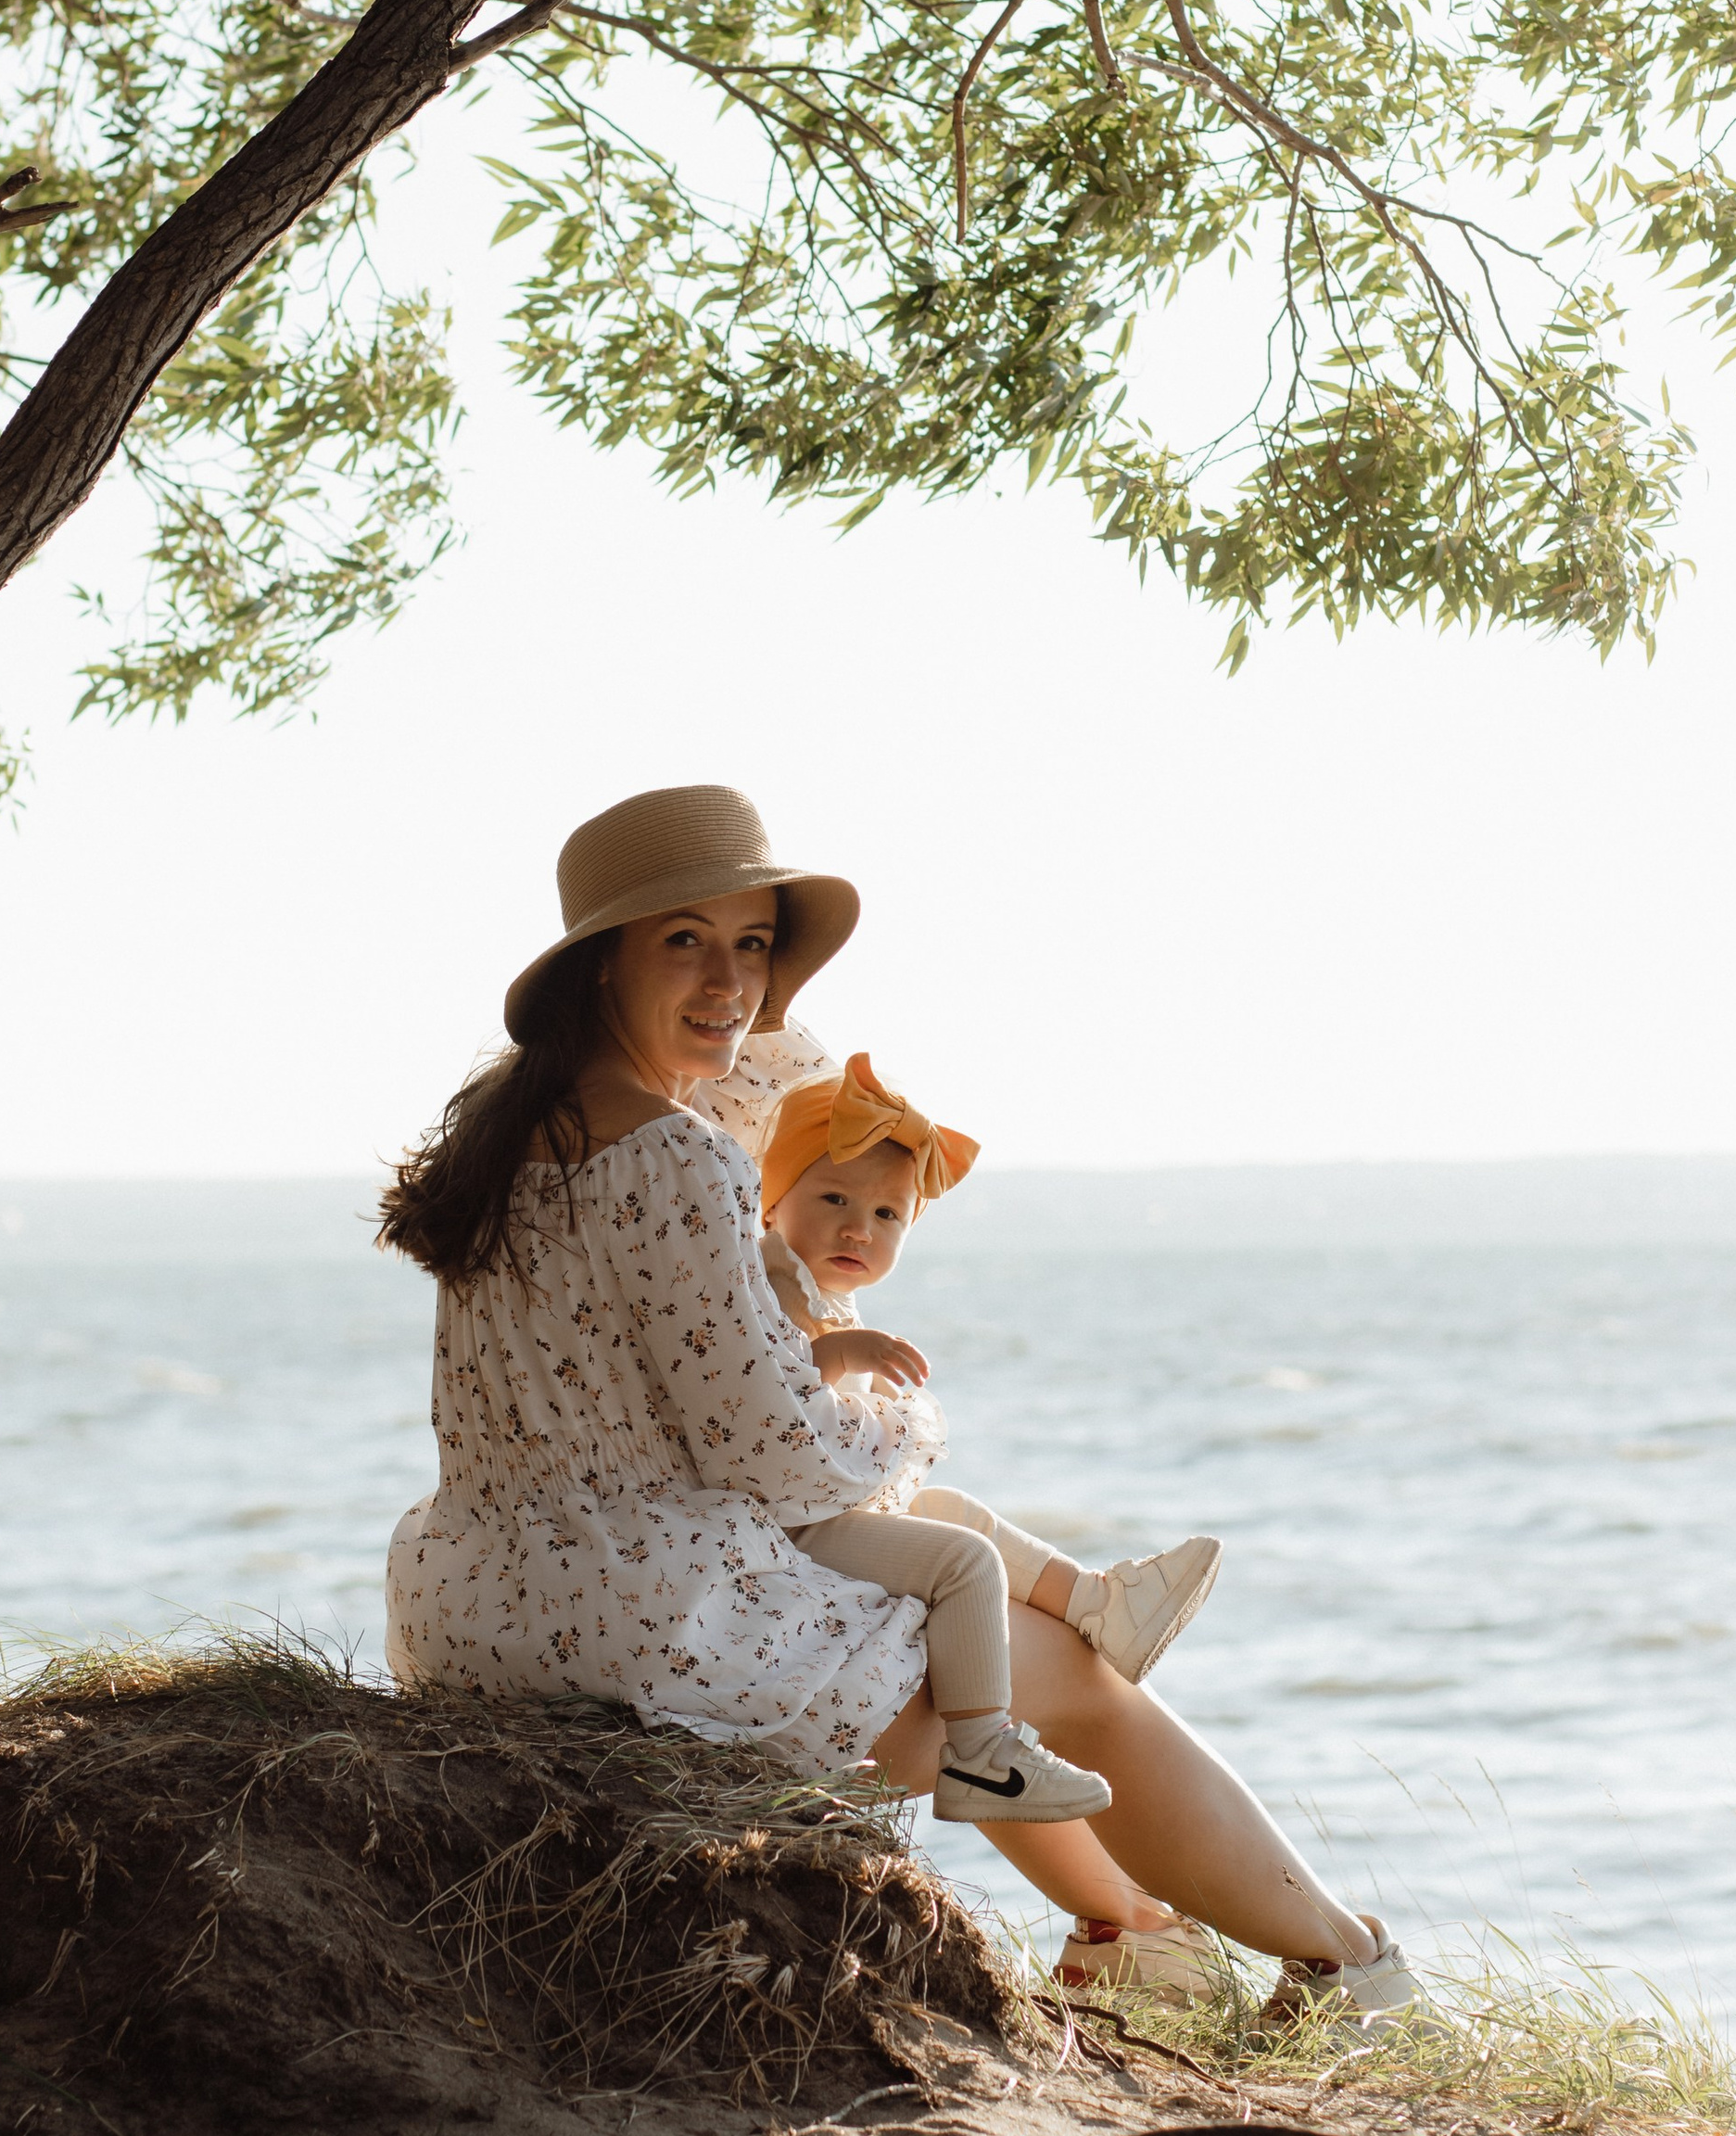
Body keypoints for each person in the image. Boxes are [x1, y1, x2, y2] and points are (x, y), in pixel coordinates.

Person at [380, 783, 1422, 2017]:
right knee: (1080, 1684)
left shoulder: (508, 1129)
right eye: (684, 942)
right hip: (639, 1612)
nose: (732, 984)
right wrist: (899, 1412)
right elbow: (778, 1458)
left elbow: (762, 1111)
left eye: (755, 946)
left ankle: (1131, 1933)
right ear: (601, 961)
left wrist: (730, 1018)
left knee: (987, 1671)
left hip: (475, 1597)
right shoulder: (675, 1156)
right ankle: (1354, 1969)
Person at [757, 1049, 1223, 1830]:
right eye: (833, 1196)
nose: (856, 1228)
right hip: (783, 1530)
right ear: (774, 1200)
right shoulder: (771, 1284)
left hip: (822, 1509)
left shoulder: (823, 1292)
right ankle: (979, 1748)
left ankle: (1098, 1602)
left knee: (950, 1508)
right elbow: (756, 1397)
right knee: (961, 1559)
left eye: (886, 1215)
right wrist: (843, 1355)